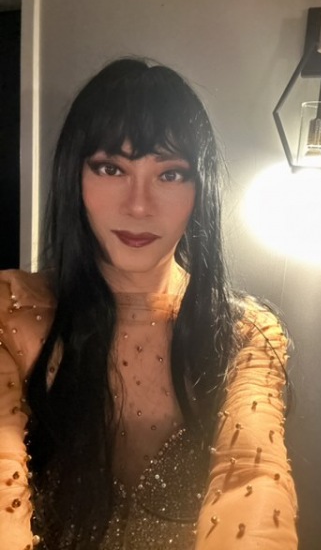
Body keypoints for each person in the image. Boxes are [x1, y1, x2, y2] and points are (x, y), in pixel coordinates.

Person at [0, 58, 298, 549]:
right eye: (111, 168)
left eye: (171, 174)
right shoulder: (12, 313)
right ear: (74, 176)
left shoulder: (246, 333)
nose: (139, 205)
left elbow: (252, 479)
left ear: (201, 190)